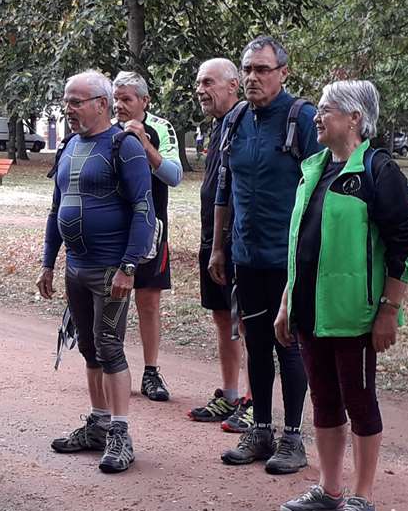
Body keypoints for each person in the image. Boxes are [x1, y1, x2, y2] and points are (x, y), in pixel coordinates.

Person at [274, 80, 408, 511]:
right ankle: (329, 489)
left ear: (355, 118)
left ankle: (362, 497)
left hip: (354, 315)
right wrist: (286, 302)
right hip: (309, 312)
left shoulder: (378, 171)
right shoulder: (314, 167)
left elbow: (407, 243)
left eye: (326, 110)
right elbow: (300, 245)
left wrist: (388, 309)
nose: (316, 118)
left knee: (359, 401)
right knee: (323, 400)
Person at [209, 34, 318, 474]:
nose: (253, 77)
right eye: (248, 69)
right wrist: (219, 246)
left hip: (287, 259)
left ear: (283, 73)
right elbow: (224, 186)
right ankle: (262, 430)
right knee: (255, 344)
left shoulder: (302, 119)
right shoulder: (235, 121)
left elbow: (320, 190)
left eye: (263, 70)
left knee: (288, 345)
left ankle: (293, 438)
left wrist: (308, 259)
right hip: (245, 255)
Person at [37, 70, 155, 474]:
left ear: (101, 104)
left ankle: (121, 433)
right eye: (67, 101)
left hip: (110, 269)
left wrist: (129, 267)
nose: (68, 109)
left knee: (109, 346)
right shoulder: (69, 146)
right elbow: (57, 209)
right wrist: (48, 261)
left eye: (76, 101)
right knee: (88, 347)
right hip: (77, 268)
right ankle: (99, 424)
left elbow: (144, 208)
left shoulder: (125, 146)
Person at [187, 58, 253, 432]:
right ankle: (229, 395)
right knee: (221, 318)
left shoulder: (244, 121)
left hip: (236, 243)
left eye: (208, 82)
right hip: (211, 239)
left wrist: (226, 243)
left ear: (233, 85)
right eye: (198, 82)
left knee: (244, 322)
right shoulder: (219, 127)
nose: (201, 89)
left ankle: (252, 399)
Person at [112, 71, 182, 403]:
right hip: (114, 228)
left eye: (126, 99)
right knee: (112, 297)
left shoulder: (160, 127)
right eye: (116, 99)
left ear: (144, 101)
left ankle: (151, 371)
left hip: (152, 229)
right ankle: (112, 364)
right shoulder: (106, 127)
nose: (119, 106)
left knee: (148, 301)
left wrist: (144, 143)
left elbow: (174, 175)